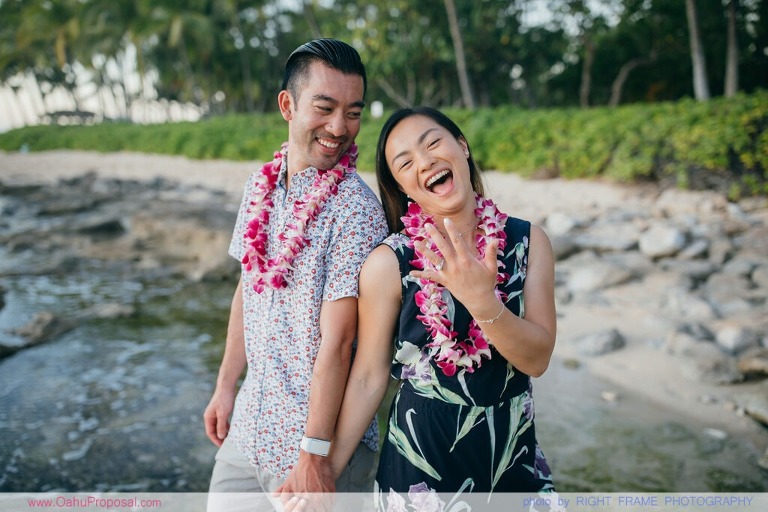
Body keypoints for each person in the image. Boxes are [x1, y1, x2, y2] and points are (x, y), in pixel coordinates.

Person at [326, 106, 557, 508]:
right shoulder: (388, 264)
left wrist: (481, 300)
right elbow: (368, 378)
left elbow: (537, 359)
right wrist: (324, 473)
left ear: (462, 147)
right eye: (405, 162)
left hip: (512, 456)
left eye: (433, 143)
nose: (425, 161)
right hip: (421, 463)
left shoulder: (529, 242)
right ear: (402, 187)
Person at [203, 38, 387, 511]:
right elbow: (249, 287)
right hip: (249, 429)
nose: (339, 127)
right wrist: (226, 386)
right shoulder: (259, 185)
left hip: (315, 451)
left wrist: (316, 453)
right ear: (288, 105)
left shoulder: (357, 210)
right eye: (325, 108)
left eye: (353, 112)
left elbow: (341, 341)